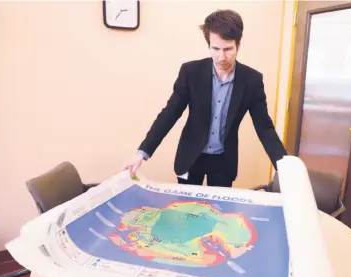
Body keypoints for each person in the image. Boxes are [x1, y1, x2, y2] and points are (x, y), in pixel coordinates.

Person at [122, 9, 287, 187]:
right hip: (190, 158)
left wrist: (284, 166)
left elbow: (264, 127)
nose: (221, 57)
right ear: (208, 44)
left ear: (238, 44)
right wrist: (141, 154)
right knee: (185, 209)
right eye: (215, 49)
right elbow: (169, 113)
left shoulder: (252, 80)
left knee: (218, 212)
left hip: (224, 162)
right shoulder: (190, 72)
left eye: (228, 49)